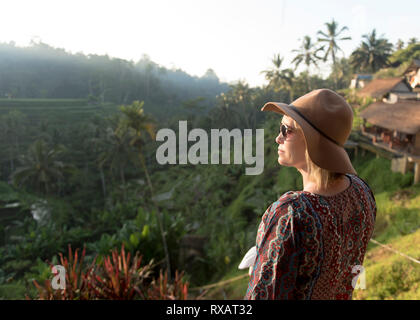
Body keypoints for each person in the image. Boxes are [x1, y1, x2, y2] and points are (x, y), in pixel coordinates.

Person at [244, 88, 376, 300]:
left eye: (286, 130)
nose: (279, 138)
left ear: (310, 138)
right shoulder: (362, 193)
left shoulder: (291, 214)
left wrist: (258, 272)